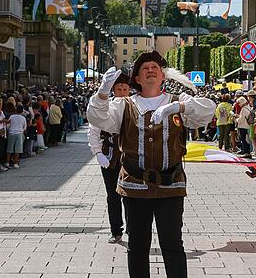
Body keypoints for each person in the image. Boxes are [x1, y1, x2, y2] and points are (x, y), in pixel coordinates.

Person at [87, 51, 215, 278]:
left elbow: (207, 111)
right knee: (137, 246)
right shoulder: (123, 105)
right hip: (134, 185)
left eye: (155, 67)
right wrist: (102, 93)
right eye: (144, 68)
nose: (150, 70)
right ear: (136, 78)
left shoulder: (178, 101)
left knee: (172, 244)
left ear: (163, 76)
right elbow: (98, 119)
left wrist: (179, 108)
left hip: (170, 184)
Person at [87, 73, 131, 244]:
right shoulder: (105, 107)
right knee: (113, 196)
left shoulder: (135, 107)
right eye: (118, 89)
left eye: (125, 89)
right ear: (113, 90)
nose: (121, 92)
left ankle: (133, 229)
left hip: (131, 158)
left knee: (132, 196)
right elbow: (93, 131)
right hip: (110, 158)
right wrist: (97, 153)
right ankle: (116, 230)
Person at [6, 104, 27, 168]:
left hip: (11, 133)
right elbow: (25, 127)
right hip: (19, 134)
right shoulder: (23, 118)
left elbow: (8, 125)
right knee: (17, 149)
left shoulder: (11, 116)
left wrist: (9, 130)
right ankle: (15, 163)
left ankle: (7, 162)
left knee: (9, 148)